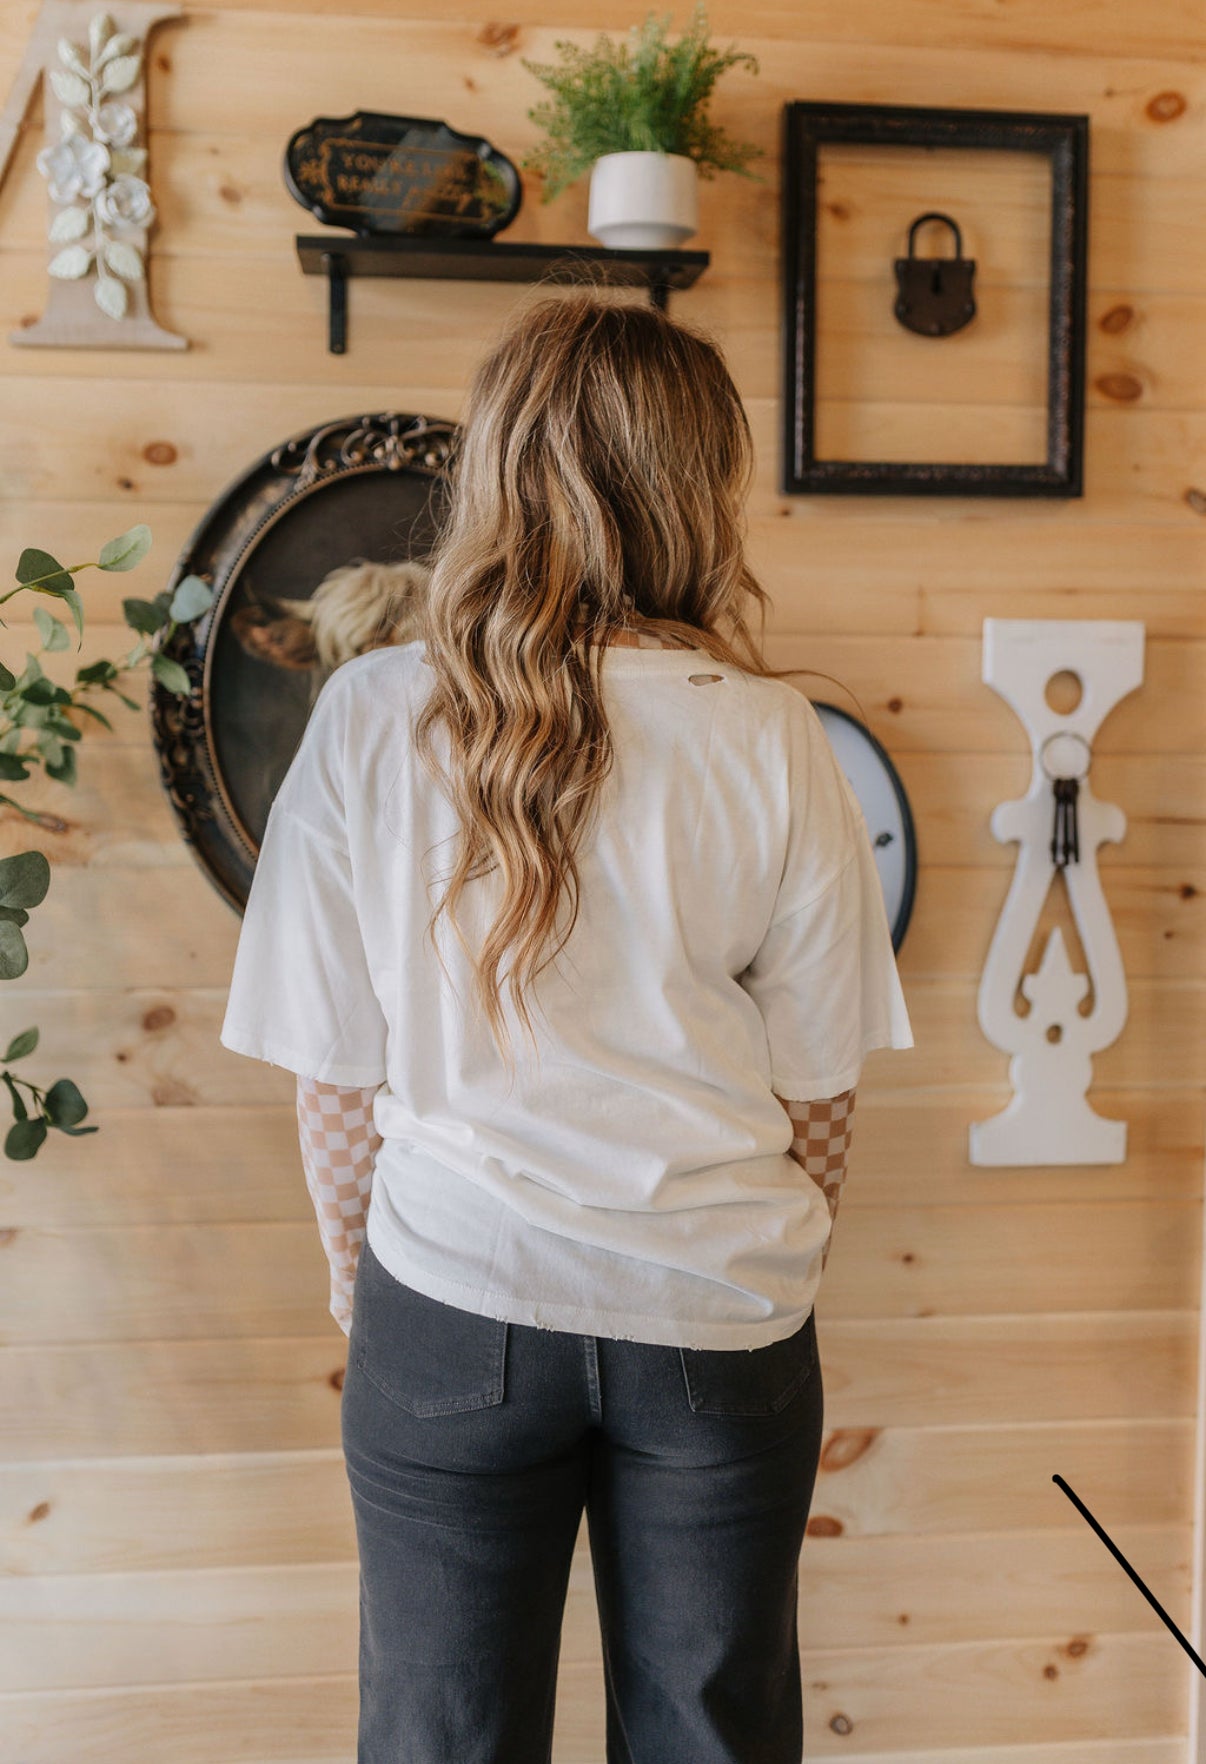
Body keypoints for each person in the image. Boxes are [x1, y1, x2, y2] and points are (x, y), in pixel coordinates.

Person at [220, 291, 914, 1764]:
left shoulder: (370, 716)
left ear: (498, 474)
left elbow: (334, 1080)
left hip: (448, 1302)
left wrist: (376, 1298)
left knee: (439, 1742)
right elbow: (820, 1100)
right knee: (710, 1738)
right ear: (693, 491)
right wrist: (750, 1283)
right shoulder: (776, 738)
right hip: (719, 1326)